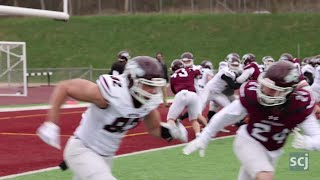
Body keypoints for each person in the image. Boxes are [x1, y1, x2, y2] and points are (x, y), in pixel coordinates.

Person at [37, 56, 188, 180]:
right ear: (132, 80)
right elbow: (65, 87)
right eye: (148, 85)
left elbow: (154, 129)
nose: (153, 91)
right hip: (83, 149)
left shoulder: (146, 103)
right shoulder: (109, 94)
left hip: (105, 157)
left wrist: (172, 132)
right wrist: (51, 123)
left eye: (155, 86)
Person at [183, 60, 320, 180]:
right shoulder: (254, 95)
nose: (265, 91)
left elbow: (318, 137)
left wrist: (309, 142)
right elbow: (226, 115)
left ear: (289, 92)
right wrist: (205, 137)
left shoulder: (299, 104)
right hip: (249, 141)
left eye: (272, 90)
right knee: (265, 176)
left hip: (273, 152)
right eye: (265, 85)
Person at [168, 59, 206, 138]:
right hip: (193, 95)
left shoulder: (172, 77)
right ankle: (198, 135)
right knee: (194, 119)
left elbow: (174, 90)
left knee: (170, 119)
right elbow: (199, 73)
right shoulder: (190, 70)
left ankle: (175, 133)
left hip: (181, 94)